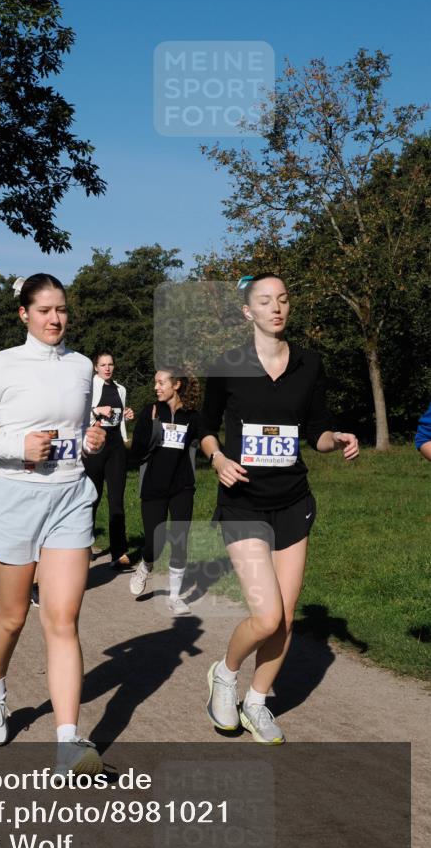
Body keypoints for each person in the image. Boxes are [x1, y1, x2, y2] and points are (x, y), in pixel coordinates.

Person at [0, 273, 106, 774]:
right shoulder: (4, 364)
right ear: (24, 314)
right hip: (15, 497)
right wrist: (17, 447)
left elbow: (79, 430)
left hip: (70, 496)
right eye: (44, 310)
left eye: (61, 309)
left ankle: (69, 741)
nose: (55, 319)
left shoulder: (83, 366)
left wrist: (91, 442)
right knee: (13, 617)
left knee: (62, 619)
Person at [200, 273, 359, 745]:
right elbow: (205, 427)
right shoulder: (226, 364)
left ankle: (255, 701)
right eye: (265, 302)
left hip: (292, 502)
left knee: (285, 618)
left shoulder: (309, 364)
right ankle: (225, 677)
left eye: (283, 300)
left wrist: (339, 439)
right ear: (247, 312)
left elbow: (318, 431)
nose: (277, 308)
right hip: (244, 502)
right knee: (266, 616)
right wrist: (218, 458)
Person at [129, 370, 202, 614]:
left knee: (180, 539)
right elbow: (137, 452)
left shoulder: (191, 416)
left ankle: (174, 596)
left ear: (176, 384)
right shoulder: (151, 411)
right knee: (155, 543)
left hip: (182, 486)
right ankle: (146, 564)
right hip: (153, 485)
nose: (156, 387)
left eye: (161, 383)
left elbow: (204, 442)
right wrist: (150, 428)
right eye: (155, 382)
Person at [85, 352, 134, 569]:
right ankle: (84, 547)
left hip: (115, 446)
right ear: (95, 367)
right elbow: (79, 413)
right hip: (94, 444)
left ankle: (119, 552)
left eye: (111, 364)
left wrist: (126, 416)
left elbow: (118, 417)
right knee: (90, 499)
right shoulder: (89, 386)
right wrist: (96, 411)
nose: (107, 368)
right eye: (103, 365)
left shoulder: (120, 389)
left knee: (116, 500)